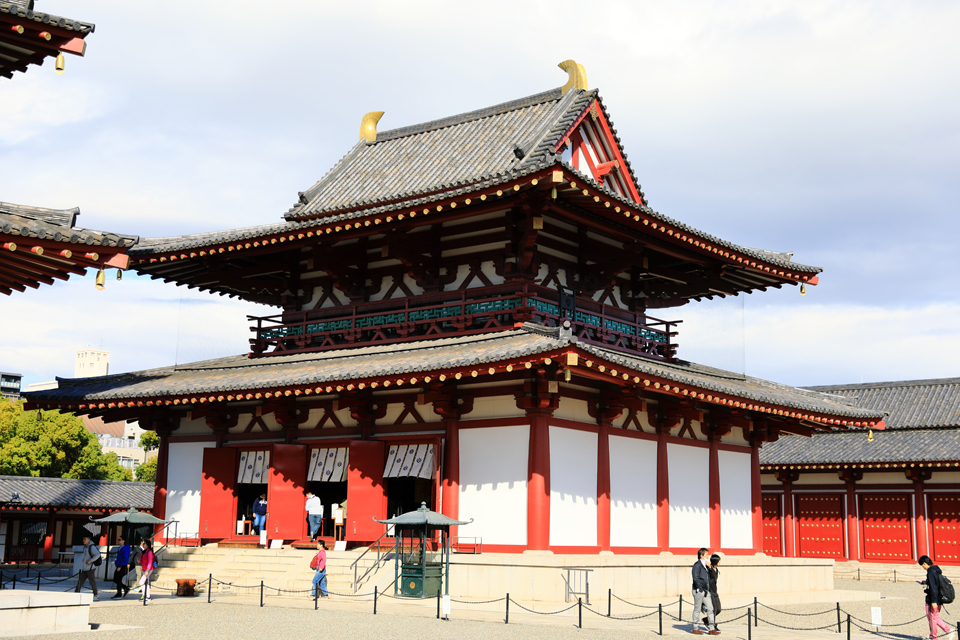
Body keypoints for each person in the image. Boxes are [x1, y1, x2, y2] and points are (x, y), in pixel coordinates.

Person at [919, 555, 953, 639]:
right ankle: (934, 635)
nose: (923, 567)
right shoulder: (936, 570)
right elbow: (935, 583)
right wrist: (926, 582)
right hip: (939, 597)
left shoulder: (930, 572)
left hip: (933, 599)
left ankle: (937, 636)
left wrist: (933, 601)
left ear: (924, 563)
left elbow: (933, 588)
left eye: (922, 565)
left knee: (932, 618)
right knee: (932, 617)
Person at [691, 548, 718, 635]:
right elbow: (695, 578)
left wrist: (710, 567)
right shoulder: (697, 565)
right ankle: (695, 627)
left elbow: (710, 576)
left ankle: (711, 628)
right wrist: (700, 588)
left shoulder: (706, 565)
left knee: (710, 609)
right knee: (697, 609)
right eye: (706, 555)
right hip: (699, 590)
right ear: (701, 556)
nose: (708, 556)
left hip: (706, 591)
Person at [74, 534, 101, 601]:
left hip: (90, 568)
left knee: (92, 582)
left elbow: (98, 554)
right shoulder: (85, 547)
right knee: (80, 581)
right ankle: (76, 594)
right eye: (83, 539)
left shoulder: (91, 547)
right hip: (85, 568)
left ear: (89, 540)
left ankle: (96, 595)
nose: (84, 541)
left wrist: (90, 561)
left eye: (85, 539)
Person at [702, 554, 722, 632]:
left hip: (715, 591)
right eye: (719, 560)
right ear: (715, 561)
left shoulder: (716, 569)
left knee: (718, 609)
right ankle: (712, 625)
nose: (720, 562)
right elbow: (704, 565)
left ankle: (706, 619)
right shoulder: (709, 570)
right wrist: (708, 565)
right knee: (714, 609)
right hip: (710, 592)